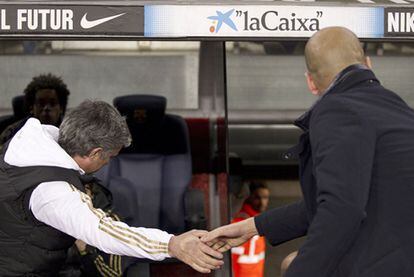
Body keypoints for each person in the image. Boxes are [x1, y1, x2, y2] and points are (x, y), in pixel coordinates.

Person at [202, 26, 414, 277]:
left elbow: (341, 210)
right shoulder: (398, 109)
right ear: (368, 64)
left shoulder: (337, 110)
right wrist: (253, 227)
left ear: (311, 82)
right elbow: (348, 197)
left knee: (293, 264)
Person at [0, 100, 223, 276]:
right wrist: (172, 244)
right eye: (109, 157)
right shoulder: (54, 191)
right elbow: (103, 232)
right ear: (96, 152)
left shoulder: (26, 147)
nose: (107, 163)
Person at [0, 73, 70, 147]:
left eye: (52, 103)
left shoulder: (69, 133)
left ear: (61, 108)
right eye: (41, 104)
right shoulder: (13, 133)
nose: (46, 108)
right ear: (32, 107)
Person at [231, 182, 269, 277]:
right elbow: (233, 258)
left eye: (265, 197)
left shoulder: (258, 220)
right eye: (257, 197)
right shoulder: (240, 222)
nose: (262, 202)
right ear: (249, 198)